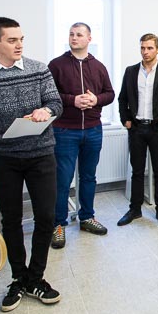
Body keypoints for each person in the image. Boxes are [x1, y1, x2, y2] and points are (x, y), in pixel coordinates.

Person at [0, 17, 63, 312]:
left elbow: (56, 103)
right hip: (5, 158)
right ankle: (19, 278)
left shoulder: (38, 70)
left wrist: (46, 110)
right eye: (12, 40)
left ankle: (36, 277)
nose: (19, 45)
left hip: (41, 154)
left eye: (21, 39)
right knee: (11, 220)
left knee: (45, 217)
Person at [48, 22, 115, 249]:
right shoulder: (56, 65)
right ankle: (58, 224)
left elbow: (110, 94)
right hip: (65, 130)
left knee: (88, 177)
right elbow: (48, 95)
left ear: (89, 39)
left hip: (93, 130)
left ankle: (86, 217)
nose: (74, 38)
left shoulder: (99, 67)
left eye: (79, 34)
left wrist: (96, 99)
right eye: (71, 34)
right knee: (62, 180)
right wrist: (72, 100)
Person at [117, 33, 158, 228]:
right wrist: (126, 120)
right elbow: (122, 99)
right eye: (143, 48)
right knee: (137, 171)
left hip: (157, 129)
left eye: (150, 48)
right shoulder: (131, 71)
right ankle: (135, 209)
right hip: (136, 129)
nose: (145, 52)